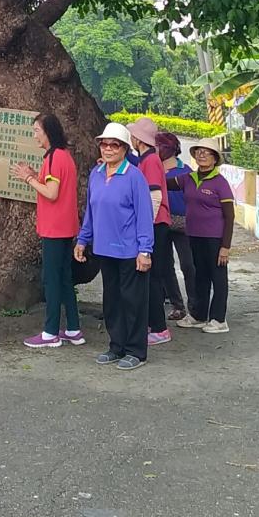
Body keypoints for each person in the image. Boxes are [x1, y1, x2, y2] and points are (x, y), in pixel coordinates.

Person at [74, 121, 153, 371]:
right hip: (104, 250)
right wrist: (82, 239)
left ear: (124, 149)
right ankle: (116, 346)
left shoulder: (134, 177)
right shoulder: (96, 175)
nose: (108, 149)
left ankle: (136, 350)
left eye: (114, 145)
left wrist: (145, 250)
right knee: (112, 300)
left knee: (133, 301)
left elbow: (143, 215)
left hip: (129, 251)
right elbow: (91, 212)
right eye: (104, 144)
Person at [13, 113, 82, 350]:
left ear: (48, 132)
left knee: (51, 280)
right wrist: (34, 174)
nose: (34, 135)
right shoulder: (64, 157)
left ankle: (51, 332)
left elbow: (51, 193)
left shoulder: (54, 157)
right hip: (65, 227)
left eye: (36, 131)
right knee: (64, 279)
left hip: (54, 228)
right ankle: (73, 328)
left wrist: (27, 179)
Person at [170, 136, 234, 334]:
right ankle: (199, 315)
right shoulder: (188, 178)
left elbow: (229, 216)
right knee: (201, 277)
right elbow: (163, 183)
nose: (202, 154)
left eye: (207, 152)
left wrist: (225, 246)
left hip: (215, 238)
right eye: (199, 151)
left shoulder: (220, 183)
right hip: (194, 236)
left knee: (218, 277)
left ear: (215, 158)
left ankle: (218, 319)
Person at [128, 117, 172, 348]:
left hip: (156, 224)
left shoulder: (151, 161)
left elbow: (155, 197)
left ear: (138, 139)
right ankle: (152, 323)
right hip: (154, 224)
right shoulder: (145, 159)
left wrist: (144, 230)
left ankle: (159, 327)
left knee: (153, 278)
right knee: (149, 277)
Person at [155, 130, 196, 321]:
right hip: (161, 220)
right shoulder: (152, 169)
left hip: (184, 223)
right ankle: (177, 305)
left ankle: (195, 306)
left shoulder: (185, 172)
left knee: (188, 265)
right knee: (164, 265)